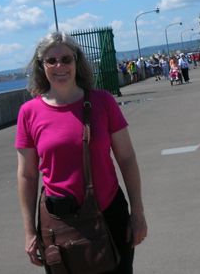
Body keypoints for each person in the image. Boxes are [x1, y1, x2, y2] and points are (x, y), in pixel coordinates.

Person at [16, 32, 147, 273]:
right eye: (51, 61)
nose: (59, 66)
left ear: (77, 61)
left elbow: (126, 159)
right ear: (40, 65)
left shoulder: (103, 102)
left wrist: (137, 212)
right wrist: (29, 231)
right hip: (59, 222)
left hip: (108, 214)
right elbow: (27, 175)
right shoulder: (29, 112)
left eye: (66, 59)